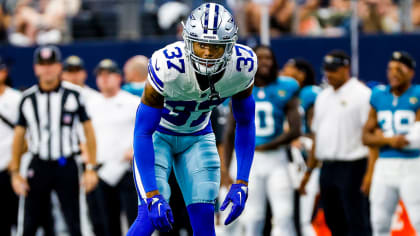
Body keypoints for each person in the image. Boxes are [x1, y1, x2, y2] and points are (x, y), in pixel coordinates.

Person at [127, 3, 257, 235]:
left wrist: (242, 181)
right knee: (148, 216)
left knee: (205, 222)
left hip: (197, 136)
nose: (207, 53)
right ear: (188, 40)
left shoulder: (242, 66)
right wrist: (153, 194)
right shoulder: (168, 64)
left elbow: (245, 122)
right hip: (159, 136)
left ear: (229, 46)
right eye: (201, 44)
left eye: (215, 47)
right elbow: (143, 131)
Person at [8, 45, 98, 236]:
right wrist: (15, 172)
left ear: (59, 67)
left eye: (51, 64)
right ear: (36, 68)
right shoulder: (27, 98)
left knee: (76, 221)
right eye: (42, 64)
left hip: (67, 163)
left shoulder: (74, 94)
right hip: (38, 163)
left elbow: (89, 131)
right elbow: (18, 136)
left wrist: (91, 167)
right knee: (28, 223)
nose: (47, 69)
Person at [223, 45, 301, 236]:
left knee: (284, 215)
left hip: (277, 158)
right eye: (261, 58)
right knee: (253, 217)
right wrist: (225, 168)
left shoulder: (286, 86)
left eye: (269, 58)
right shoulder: (239, 86)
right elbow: (229, 132)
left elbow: (295, 129)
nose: (265, 62)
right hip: (250, 160)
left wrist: (268, 145)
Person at [299, 50, 372, 236]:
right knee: (333, 219)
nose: (329, 74)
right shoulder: (323, 96)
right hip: (327, 168)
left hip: (354, 166)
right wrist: (309, 172)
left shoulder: (362, 94)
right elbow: (317, 136)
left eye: (334, 70)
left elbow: (371, 136)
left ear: (346, 68)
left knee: (356, 219)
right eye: (327, 70)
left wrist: (370, 173)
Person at [362, 51, 420, 235]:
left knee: (418, 219)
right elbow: (365, 137)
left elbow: (415, 137)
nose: (393, 73)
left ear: (411, 72)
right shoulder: (378, 95)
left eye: (399, 69)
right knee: (379, 222)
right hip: (384, 165)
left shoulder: (417, 94)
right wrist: (390, 140)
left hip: (412, 165)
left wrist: (384, 138)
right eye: (390, 69)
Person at [86, 59, 139, 236]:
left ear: (118, 78)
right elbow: (83, 136)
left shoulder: (133, 102)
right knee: (106, 222)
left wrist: (136, 149)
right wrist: (89, 167)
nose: (105, 79)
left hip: (128, 170)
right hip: (101, 170)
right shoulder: (90, 104)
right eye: (100, 75)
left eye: (109, 75)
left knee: (135, 219)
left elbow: (150, 130)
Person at [281, 58, 320, 236]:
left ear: (301, 75)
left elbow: (318, 128)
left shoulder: (311, 93)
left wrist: (301, 139)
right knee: (286, 217)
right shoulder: (286, 94)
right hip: (288, 158)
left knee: (303, 219)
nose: (283, 72)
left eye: (288, 69)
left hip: (306, 157)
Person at [0, 57, 21, 236]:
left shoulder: (16, 99)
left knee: (17, 218)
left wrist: (14, 164)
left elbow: (27, 135)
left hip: (9, 168)